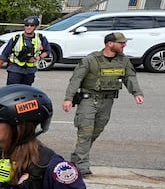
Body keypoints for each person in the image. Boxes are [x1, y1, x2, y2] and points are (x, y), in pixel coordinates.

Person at [62, 32, 145, 176]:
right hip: (89, 99)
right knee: (85, 132)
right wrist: (68, 98)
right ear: (110, 44)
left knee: (96, 131)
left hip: (107, 101)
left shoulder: (123, 60)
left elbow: (129, 77)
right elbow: (76, 79)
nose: (124, 45)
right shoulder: (91, 59)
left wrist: (137, 93)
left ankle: (77, 158)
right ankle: (81, 165)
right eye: (121, 43)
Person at [0, 17, 48, 87]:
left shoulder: (41, 38)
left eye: (32, 25)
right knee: (12, 91)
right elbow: (4, 55)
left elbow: (47, 51)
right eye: (27, 25)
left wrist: (38, 57)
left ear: (36, 27)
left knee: (25, 92)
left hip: (30, 71)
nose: (29, 27)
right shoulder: (16, 38)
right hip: (15, 69)